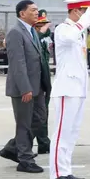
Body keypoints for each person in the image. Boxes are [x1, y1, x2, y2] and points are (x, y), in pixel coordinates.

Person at [48, 0, 90, 179]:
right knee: (61, 132)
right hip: (67, 88)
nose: (86, 18)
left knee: (72, 132)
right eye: (84, 12)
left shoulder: (79, 32)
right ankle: (57, 174)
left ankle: (65, 170)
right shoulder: (63, 29)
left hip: (78, 88)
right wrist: (83, 22)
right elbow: (68, 38)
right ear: (76, 11)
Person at [0, 0, 47, 174]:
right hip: (24, 88)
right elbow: (18, 63)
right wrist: (26, 88)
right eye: (33, 10)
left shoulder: (32, 31)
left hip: (37, 86)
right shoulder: (15, 32)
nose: (37, 12)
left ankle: (13, 148)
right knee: (24, 124)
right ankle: (25, 159)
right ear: (22, 13)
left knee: (40, 119)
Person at [33, 10, 53, 154]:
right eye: (42, 25)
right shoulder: (33, 37)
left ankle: (43, 143)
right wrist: (41, 32)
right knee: (36, 116)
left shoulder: (44, 38)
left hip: (44, 80)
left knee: (43, 114)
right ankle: (19, 146)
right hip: (34, 82)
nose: (45, 28)